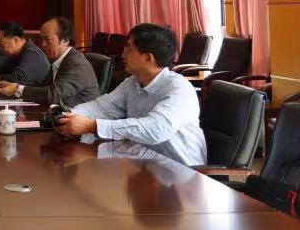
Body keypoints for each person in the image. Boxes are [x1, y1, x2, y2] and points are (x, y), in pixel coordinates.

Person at [56, 24, 207, 167]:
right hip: (146, 166)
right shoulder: (133, 82)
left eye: (129, 49)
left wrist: (92, 125)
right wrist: (69, 116)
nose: (123, 54)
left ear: (148, 58)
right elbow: (102, 107)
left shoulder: (179, 88)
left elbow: (155, 129)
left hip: (183, 172)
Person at [0, 16, 99, 107]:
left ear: (65, 41)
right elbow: (42, 86)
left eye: (48, 40)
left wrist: (18, 89)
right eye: (41, 39)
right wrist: (13, 86)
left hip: (79, 118)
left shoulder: (76, 63)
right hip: (60, 113)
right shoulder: (58, 60)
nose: (43, 44)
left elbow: (54, 94)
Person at [0, 21, 50, 86]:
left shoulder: (33, 53)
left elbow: (16, 78)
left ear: (15, 40)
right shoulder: (16, 54)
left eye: (2, 45)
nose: (0, 49)